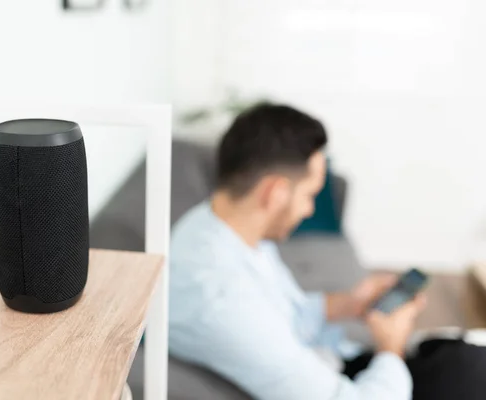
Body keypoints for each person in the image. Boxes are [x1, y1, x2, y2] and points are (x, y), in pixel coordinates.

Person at [168, 103, 486, 399]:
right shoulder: (221, 300)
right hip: (346, 385)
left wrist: (348, 304)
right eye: (310, 195)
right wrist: (391, 347)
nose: (308, 210)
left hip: (335, 364)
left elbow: (283, 315)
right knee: (470, 370)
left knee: (459, 355)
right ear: (275, 193)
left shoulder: (216, 226)